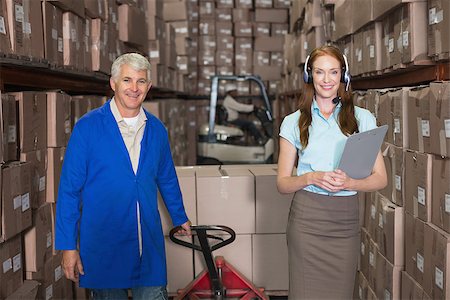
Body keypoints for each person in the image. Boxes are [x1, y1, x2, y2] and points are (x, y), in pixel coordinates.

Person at [55, 53, 192, 300]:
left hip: (147, 244)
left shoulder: (157, 129)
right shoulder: (88, 128)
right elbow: (69, 190)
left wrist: (179, 216)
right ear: (113, 83)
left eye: (141, 81)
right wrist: (67, 246)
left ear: (148, 87)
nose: (134, 88)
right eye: (127, 79)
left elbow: (167, 177)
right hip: (105, 243)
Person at [276, 45, 387, 299]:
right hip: (306, 220)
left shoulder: (363, 119)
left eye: (333, 72)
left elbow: (381, 178)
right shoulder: (293, 122)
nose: (327, 80)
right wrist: (310, 177)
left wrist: (350, 182)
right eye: (319, 72)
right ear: (309, 76)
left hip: (344, 222)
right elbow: (282, 184)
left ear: (343, 77)